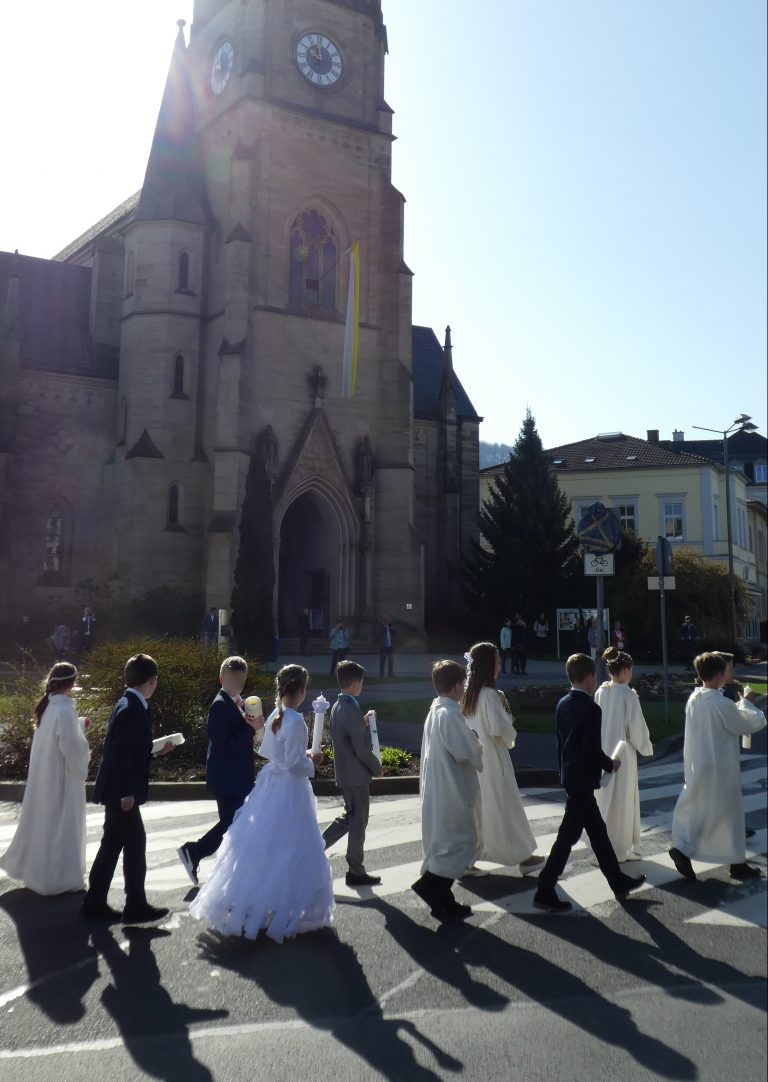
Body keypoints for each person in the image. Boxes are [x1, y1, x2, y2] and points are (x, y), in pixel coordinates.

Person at [189, 665, 334, 942]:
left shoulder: (276, 716)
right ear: (302, 690)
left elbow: (268, 751)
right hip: (290, 788)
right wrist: (312, 761)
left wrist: (300, 757)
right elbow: (294, 764)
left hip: (270, 784)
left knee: (264, 842)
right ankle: (283, 902)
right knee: (291, 844)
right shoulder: (295, 720)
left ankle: (254, 897)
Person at [533, 653, 646, 913]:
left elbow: (562, 744)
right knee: (568, 838)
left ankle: (618, 882)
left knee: (597, 833)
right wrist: (610, 764)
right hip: (583, 778)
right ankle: (545, 888)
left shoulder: (563, 703)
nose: (595, 680)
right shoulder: (592, 709)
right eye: (594, 676)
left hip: (571, 776)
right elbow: (591, 749)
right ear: (587, 678)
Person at [81, 653, 176, 923]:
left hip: (117, 788)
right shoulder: (132, 709)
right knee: (134, 843)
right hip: (120, 791)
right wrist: (125, 793)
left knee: (112, 843)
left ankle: (94, 902)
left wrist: (156, 751)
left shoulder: (129, 703)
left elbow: (129, 749)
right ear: (151, 681)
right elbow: (120, 755)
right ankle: (134, 905)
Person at [668, 651, 766, 882]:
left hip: (698, 764)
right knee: (729, 814)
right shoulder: (721, 703)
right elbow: (746, 724)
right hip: (720, 766)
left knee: (701, 811)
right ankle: (736, 863)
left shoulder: (695, 698)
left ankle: (684, 846)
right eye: (728, 670)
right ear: (720, 674)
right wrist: (748, 703)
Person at [0, 662, 91, 894]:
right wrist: (83, 757)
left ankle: (39, 874)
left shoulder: (49, 707)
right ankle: (60, 879)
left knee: (45, 825)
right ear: (72, 683)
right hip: (61, 779)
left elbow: (57, 736)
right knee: (62, 826)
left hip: (45, 778)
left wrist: (79, 725)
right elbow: (71, 746)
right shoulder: (64, 709)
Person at [177, 656, 262, 886]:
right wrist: (249, 729)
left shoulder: (237, 701)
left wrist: (253, 732)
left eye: (241, 680)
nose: (238, 684)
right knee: (233, 823)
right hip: (226, 777)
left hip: (237, 775)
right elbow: (222, 741)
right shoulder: (220, 705)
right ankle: (195, 853)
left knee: (233, 822)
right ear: (222, 678)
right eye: (234, 679)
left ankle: (198, 854)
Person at [460, 642, 543, 873]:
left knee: (480, 810)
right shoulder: (490, 696)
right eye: (497, 662)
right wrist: (509, 721)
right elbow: (499, 729)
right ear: (488, 666)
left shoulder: (467, 695)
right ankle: (522, 855)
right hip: (495, 762)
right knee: (506, 807)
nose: (499, 666)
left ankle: (470, 856)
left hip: (474, 762)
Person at [412, 660, 483, 921]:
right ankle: (430, 886)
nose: (464, 689)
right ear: (456, 686)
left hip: (440, 785)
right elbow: (466, 750)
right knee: (461, 839)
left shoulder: (436, 710)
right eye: (463, 684)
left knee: (446, 840)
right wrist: (475, 740)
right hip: (451, 787)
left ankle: (444, 898)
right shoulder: (450, 714)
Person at [321, 660, 383, 885]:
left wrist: (362, 722)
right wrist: (377, 767)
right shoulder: (351, 708)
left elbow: (347, 735)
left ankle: (318, 847)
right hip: (356, 775)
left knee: (349, 818)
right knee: (358, 823)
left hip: (346, 773)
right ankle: (355, 870)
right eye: (362, 682)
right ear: (356, 683)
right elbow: (361, 748)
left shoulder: (339, 706)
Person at [595, 647, 653, 862]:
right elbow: (636, 728)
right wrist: (646, 746)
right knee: (622, 799)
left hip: (602, 751)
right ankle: (619, 849)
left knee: (604, 798)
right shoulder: (628, 695)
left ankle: (602, 844)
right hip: (623, 756)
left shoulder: (602, 692)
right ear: (627, 670)